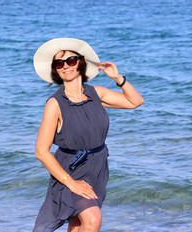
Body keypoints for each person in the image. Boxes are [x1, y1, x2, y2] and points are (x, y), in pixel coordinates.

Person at [32, 38, 144, 232]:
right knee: (92, 218)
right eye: (59, 63)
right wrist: (71, 183)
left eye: (71, 61)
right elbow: (41, 152)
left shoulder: (96, 94)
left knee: (78, 224)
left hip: (97, 167)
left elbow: (135, 101)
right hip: (70, 170)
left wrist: (118, 79)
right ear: (55, 70)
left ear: (80, 63)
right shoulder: (55, 104)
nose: (66, 66)